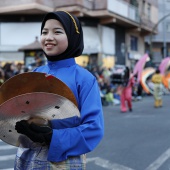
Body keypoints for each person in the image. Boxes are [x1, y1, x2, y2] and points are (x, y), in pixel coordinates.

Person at [14, 11, 104, 169]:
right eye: (44, 32)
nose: (48, 37)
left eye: (57, 32)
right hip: (27, 156)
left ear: (72, 36)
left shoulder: (84, 78)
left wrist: (53, 137)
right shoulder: (35, 73)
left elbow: (94, 128)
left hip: (63, 161)